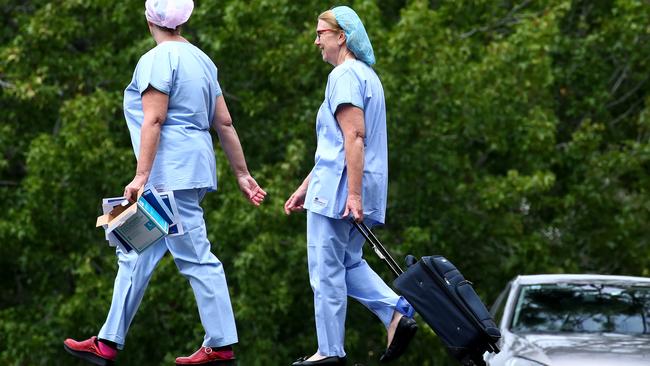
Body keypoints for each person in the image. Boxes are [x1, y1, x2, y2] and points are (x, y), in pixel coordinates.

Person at [63, 1, 266, 365]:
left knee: (197, 258)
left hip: (169, 175)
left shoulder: (156, 60)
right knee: (134, 252)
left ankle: (220, 345)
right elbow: (226, 124)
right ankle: (108, 341)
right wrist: (241, 173)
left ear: (149, 19)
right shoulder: (203, 60)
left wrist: (141, 176)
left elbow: (153, 120)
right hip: (187, 172)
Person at [284, 6, 417, 366]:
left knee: (325, 271)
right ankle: (396, 311)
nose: (316, 42)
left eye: (320, 34)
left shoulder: (343, 76)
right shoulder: (368, 77)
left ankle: (329, 351)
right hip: (353, 186)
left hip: (339, 193)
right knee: (348, 264)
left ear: (341, 36)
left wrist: (352, 194)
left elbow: (354, 136)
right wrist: (303, 186)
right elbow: (339, 146)